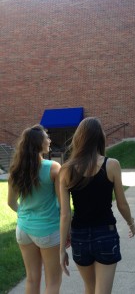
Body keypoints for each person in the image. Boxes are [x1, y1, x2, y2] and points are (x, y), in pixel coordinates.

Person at [59, 117, 135, 294]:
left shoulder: (66, 169)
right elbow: (122, 204)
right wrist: (131, 223)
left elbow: (65, 215)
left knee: (89, 288)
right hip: (106, 234)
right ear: (100, 137)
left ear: (79, 138)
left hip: (79, 236)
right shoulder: (112, 165)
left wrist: (61, 248)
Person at [7, 124, 62, 294]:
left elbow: (11, 203)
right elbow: (63, 204)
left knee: (32, 279)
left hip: (23, 230)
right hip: (48, 230)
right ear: (39, 143)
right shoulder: (53, 168)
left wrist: (25, 215)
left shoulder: (16, 170)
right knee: (53, 282)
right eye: (47, 137)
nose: (49, 139)